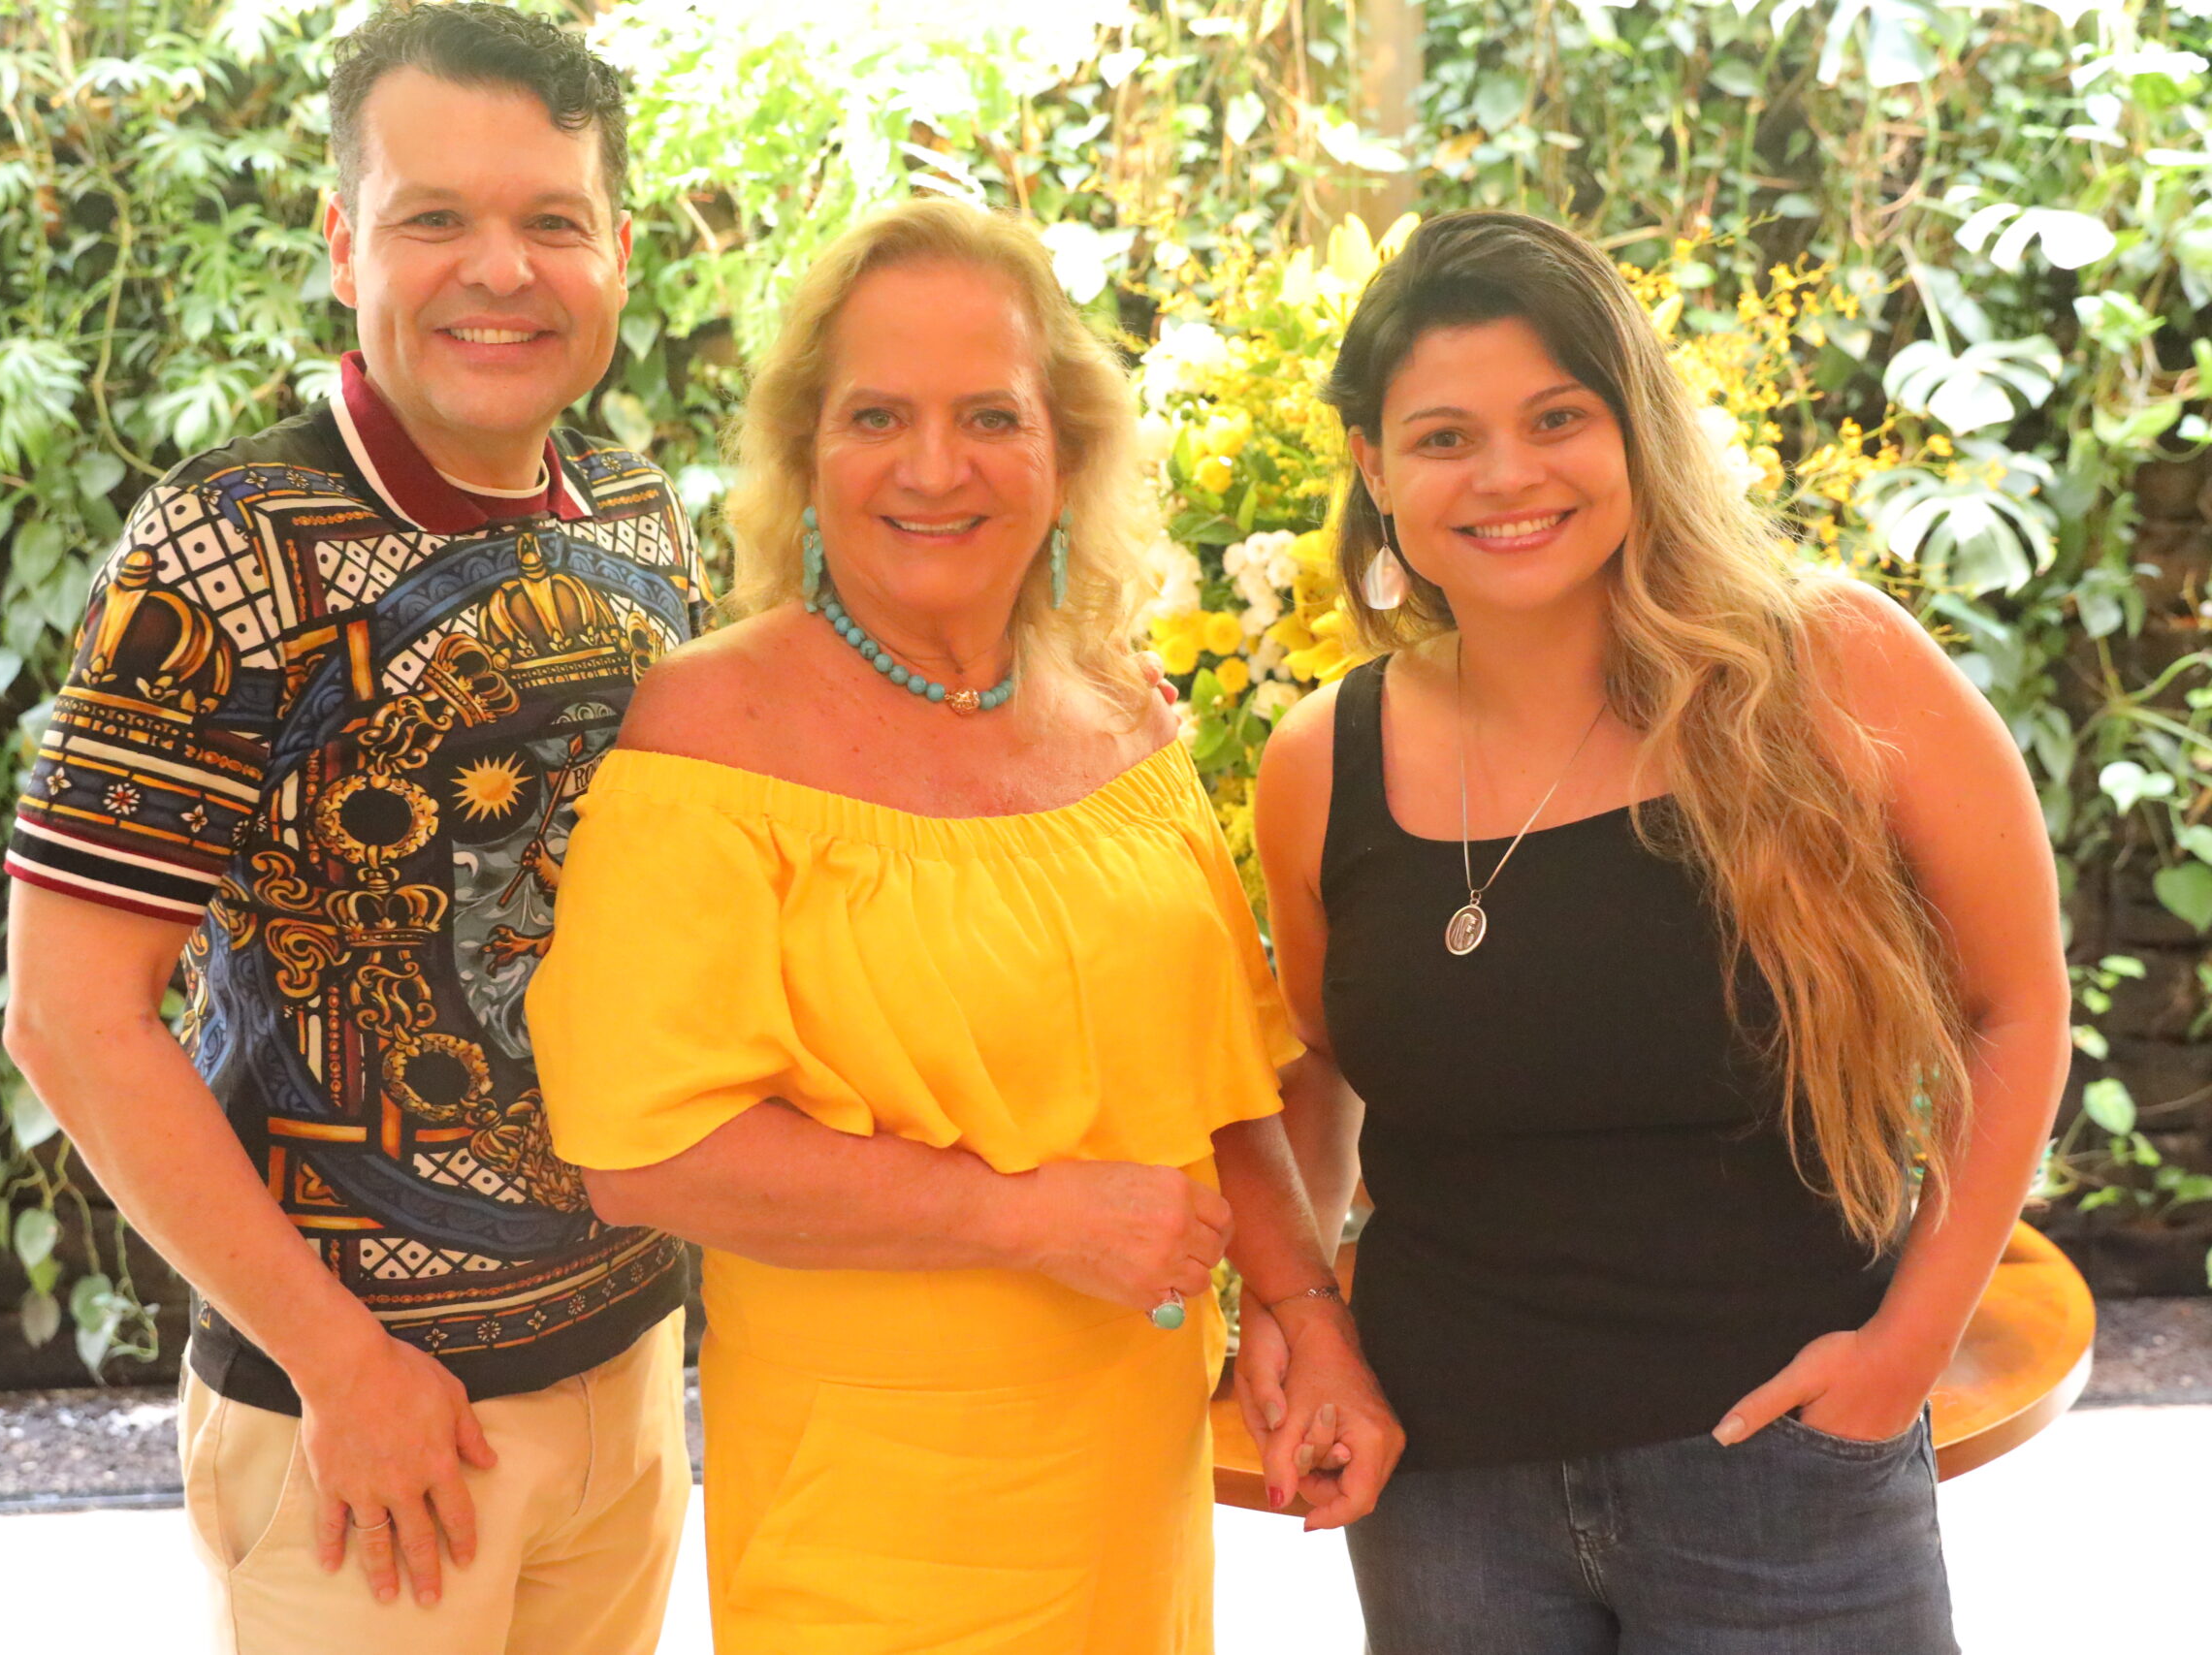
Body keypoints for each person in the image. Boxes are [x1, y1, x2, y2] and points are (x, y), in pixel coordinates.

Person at [525, 197, 1397, 1655]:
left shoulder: (1122, 716)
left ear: (1066, 450)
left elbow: (1224, 1082)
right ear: (808, 453)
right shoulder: (711, 730)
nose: (935, 467)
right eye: (878, 415)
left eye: (991, 415)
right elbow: (643, 1153)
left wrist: (1309, 1316)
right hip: (866, 1511)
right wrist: (1032, 1217)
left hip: (1130, 1471)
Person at [1244, 208, 2068, 1653]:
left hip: (1783, 1463)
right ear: (1374, 469)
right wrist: (1306, 1317)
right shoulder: (1322, 758)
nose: (1508, 474)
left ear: (1635, 425)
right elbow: (1317, 1062)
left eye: (1557, 417)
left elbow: (2017, 1005)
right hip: (1445, 1487)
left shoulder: (1831, 668)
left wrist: (1904, 1350)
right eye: (1444, 438)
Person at [1, 9, 706, 1651]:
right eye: (433, 216)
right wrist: (340, 1364)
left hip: (626, 1362)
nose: (500, 270)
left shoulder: (642, 516)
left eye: (552, 219)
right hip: (369, 1427)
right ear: (343, 242)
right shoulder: (226, 542)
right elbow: (71, 1017)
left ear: (619, 251)